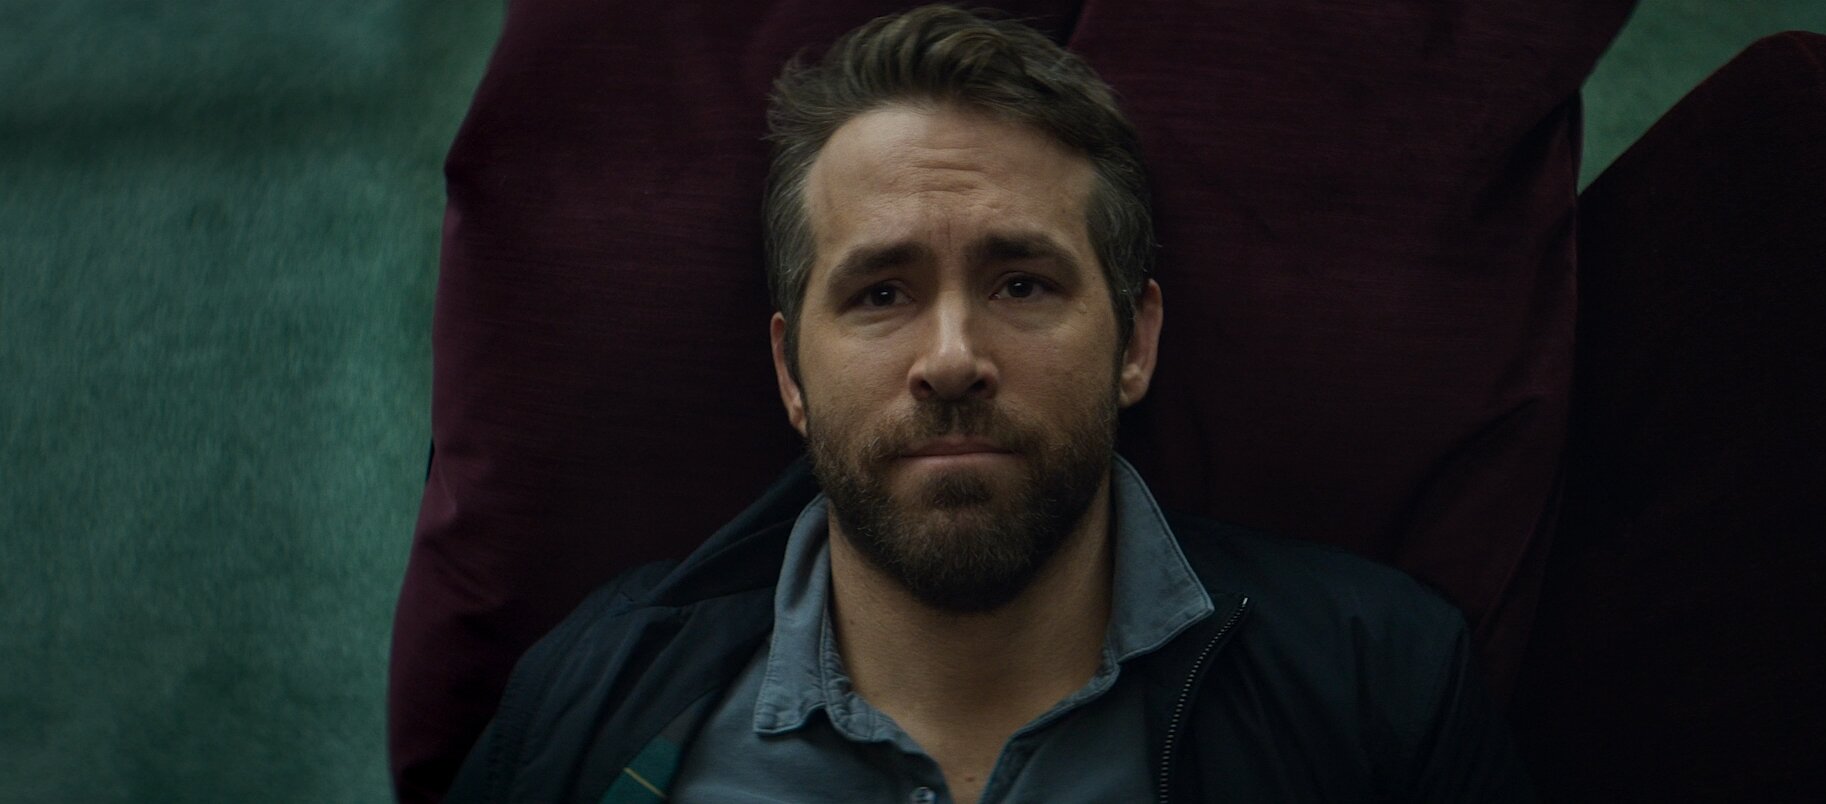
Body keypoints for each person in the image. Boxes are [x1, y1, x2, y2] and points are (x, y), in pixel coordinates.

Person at [445, 6, 1532, 802]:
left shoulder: (1377, 687)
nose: (953, 358)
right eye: (881, 294)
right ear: (789, 373)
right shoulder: (592, 700)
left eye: (1022, 285)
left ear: (1135, 342)